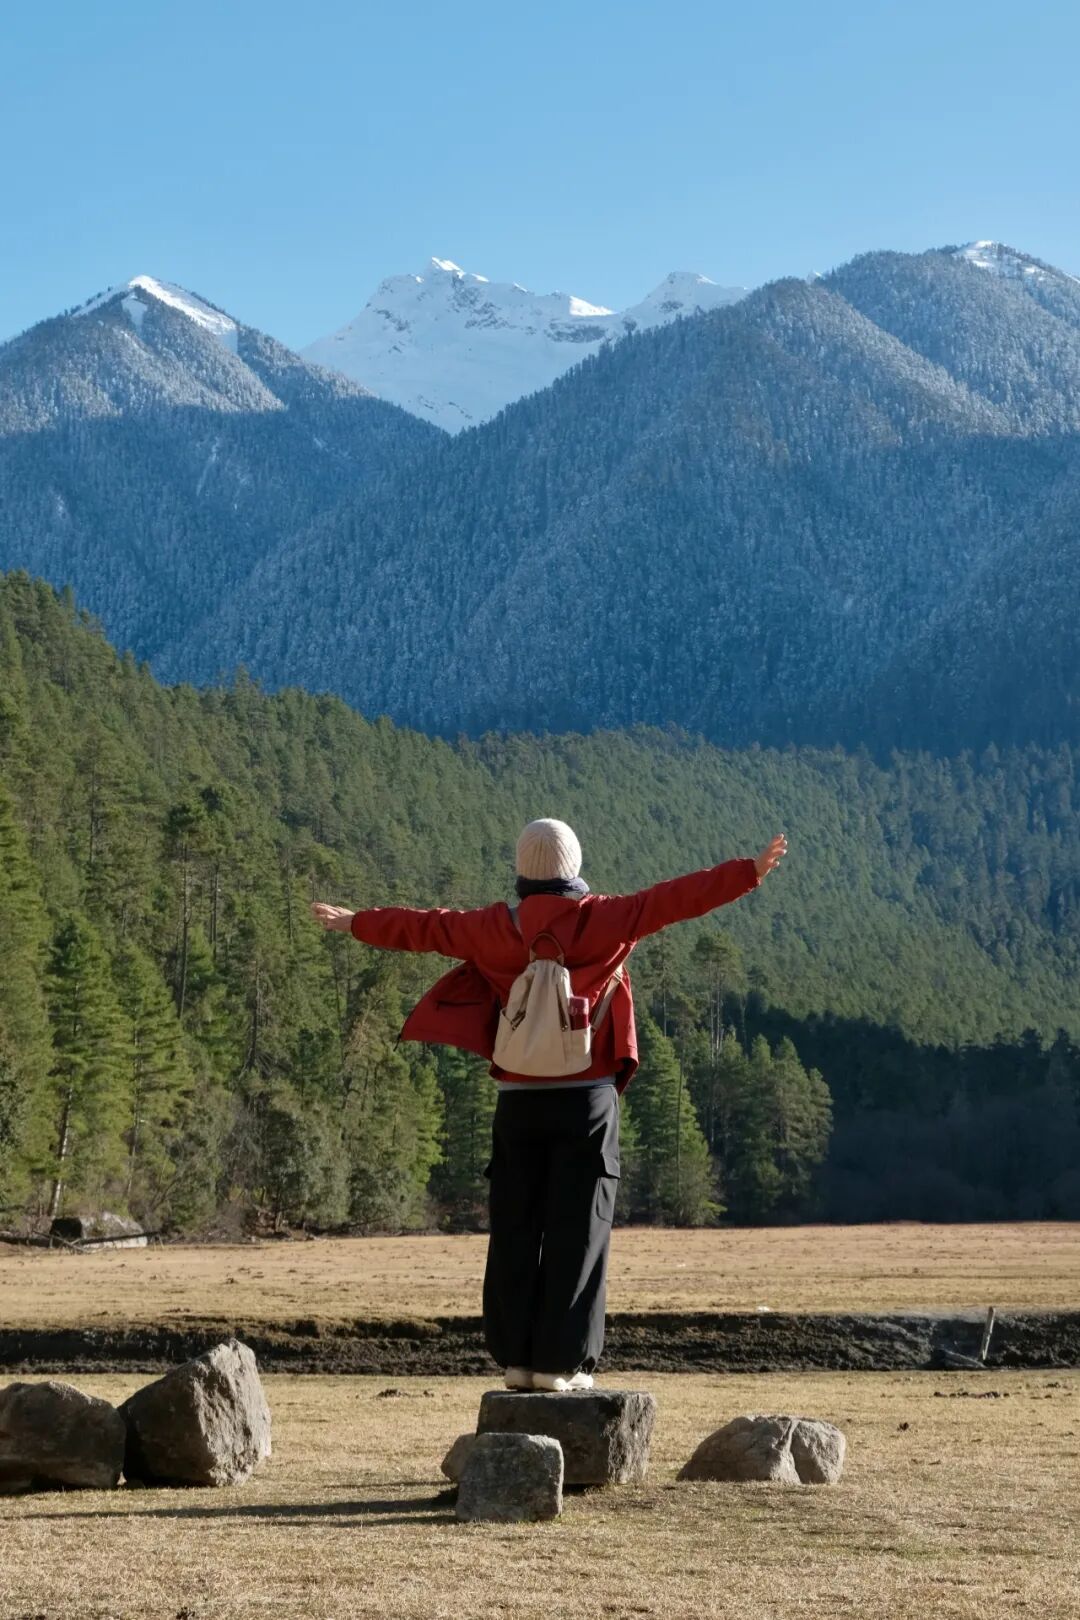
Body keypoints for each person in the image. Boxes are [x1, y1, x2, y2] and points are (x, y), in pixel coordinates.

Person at [312, 821, 787, 1391]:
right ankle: (562, 1365)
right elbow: (675, 899)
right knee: (579, 1228)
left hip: (518, 1100)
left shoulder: (490, 929)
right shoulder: (606, 918)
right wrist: (748, 873)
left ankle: (516, 1361)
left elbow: (422, 928)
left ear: (523, 873)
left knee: (516, 1227)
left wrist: (354, 922)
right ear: (573, 868)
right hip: (586, 1099)